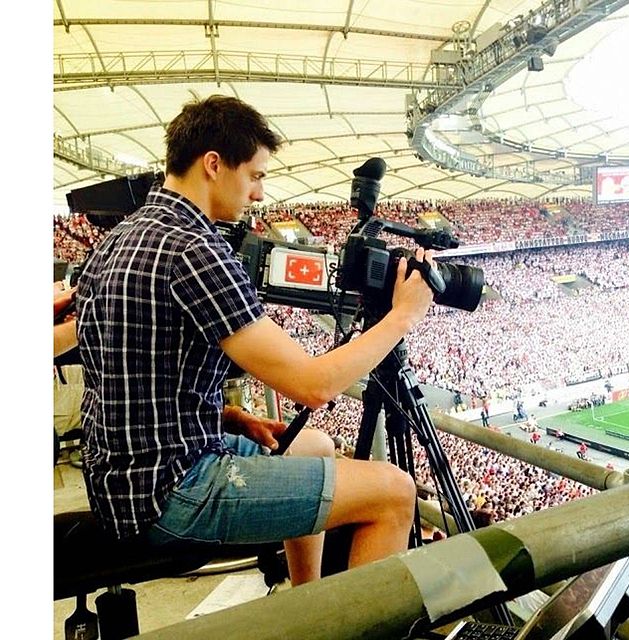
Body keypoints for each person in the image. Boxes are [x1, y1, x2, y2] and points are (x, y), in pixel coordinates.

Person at [75, 95, 435, 586]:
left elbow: (126, 375)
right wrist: (401, 317)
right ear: (214, 165)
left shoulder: (120, 236)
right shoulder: (194, 249)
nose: (259, 194)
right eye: (256, 175)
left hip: (120, 480)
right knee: (394, 492)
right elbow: (313, 386)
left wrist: (226, 417)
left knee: (314, 444)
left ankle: (304, 601)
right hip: (168, 492)